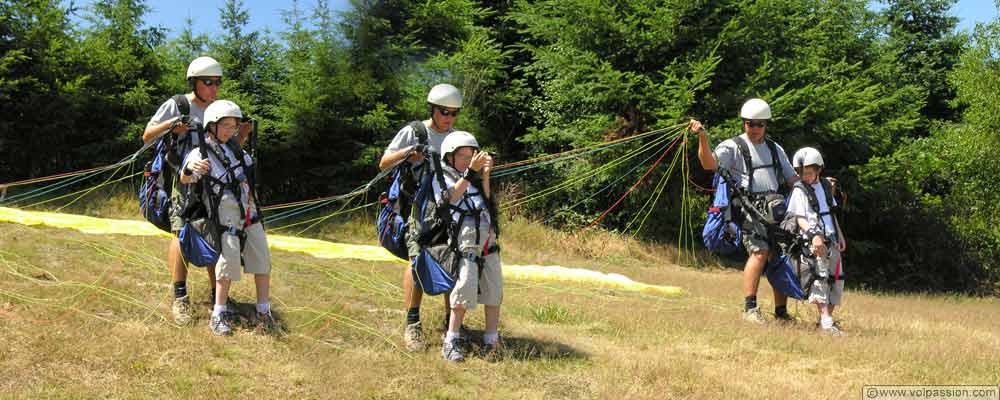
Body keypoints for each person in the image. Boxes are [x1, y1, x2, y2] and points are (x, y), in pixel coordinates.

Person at [142, 56, 247, 325]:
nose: (214, 88)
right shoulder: (178, 104)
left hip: (213, 183)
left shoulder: (220, 108)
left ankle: (217, 298)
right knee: (181, 232)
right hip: (183, 180)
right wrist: (171, 125)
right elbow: (147, 135)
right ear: (194, 82)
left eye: (218, 83)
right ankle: (180, 298)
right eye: (208, 82)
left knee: (215, 232)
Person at [691, 98, 799, 324]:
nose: (756, 129)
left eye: (760, 124)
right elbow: (709, 164)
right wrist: (702, 137)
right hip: (748, 208)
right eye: (751, 124)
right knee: (759, 253)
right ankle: (750, 309)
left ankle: (781, 313)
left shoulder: (774, 148)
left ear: (766, 125)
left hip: (775, 209)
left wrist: (815, 188)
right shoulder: (732, 146)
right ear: (744, 123)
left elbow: (792, 178)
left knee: (779, 257)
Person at [378, 83, 465, 351]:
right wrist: (408, 153)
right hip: (417, 209)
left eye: (453, 113)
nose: (448, 118)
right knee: (417, 260)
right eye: (444, 112)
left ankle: (451, 323)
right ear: (432, 109)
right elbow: (383, 163)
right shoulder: (414, 131)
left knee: (453, 259)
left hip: (448, 208)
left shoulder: (457, 137)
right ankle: (412, 324)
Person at [180, 99, 272, 336]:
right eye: (227, 126)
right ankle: (218, 314)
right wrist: (194, 170)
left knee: (262, 259)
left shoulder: (235, 149)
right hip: (226, 218)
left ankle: (263, 310)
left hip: (250, 212)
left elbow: (247, 171)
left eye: (234, 127)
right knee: (227, 265)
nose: (231, 131)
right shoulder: (200, 152)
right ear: (212, 125)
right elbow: (186, 175)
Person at [434, 131, 502, 362]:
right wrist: (471, 173)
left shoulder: (473, 177)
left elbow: (487, 201)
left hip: (488, 241)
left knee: (494, 290)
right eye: (462, 156)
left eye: (471, 155)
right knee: (463, 290)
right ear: (449, 158)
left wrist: (485, 175)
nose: (467, 160)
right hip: (466, 243)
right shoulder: (443, 177)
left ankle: (491, 341)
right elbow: (448, 199)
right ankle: (451, 340)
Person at [787, 147, 847, 336]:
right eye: (802, 173)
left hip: (832, 238)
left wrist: (840, 235)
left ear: (819, 170)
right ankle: (827, 322)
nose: (805, 176)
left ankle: (825, 321)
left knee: (836, 279)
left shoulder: (826, 188)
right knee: (820, 279)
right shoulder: (799, 190)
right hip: (814, 240)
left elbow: (831, 213)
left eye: (809, 173)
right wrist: (814, 236)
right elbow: (800, 218)